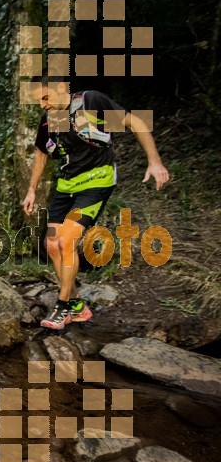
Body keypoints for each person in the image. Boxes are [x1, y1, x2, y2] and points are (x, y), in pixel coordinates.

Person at [22, 75, 170, 329]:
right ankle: (78, 304)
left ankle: (63, 305)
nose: (43, 105)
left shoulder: (90, 102)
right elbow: (41, 154)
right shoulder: (49, 119)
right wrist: (32, 190)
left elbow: (133, 121)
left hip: (96, 183)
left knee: (66, 241)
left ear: (61, 88)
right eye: (39, 101)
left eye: (45, 98)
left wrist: (154, 161)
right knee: (52, 244)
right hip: (66, 186)